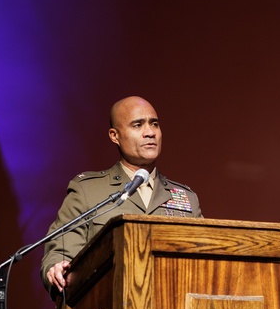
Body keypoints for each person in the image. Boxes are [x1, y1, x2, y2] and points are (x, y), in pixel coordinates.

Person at [41, 96, 202, 295]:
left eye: (155, 124)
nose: (150, 133)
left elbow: (206, 262)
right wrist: (56, 268)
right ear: (114, 135)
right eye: (138, 125)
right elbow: (59, 253)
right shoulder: (87, 191)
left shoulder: (186, 198)